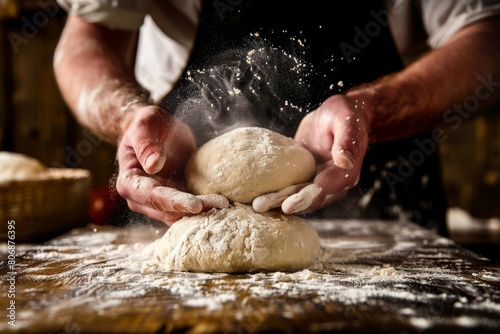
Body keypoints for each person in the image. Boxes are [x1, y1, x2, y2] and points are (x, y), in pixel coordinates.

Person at [53, 0, 500, 236]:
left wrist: (374, 109)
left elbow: (488, 38)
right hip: (185, 196)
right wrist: (130, 115)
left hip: (384, 195)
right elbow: (86, 44)